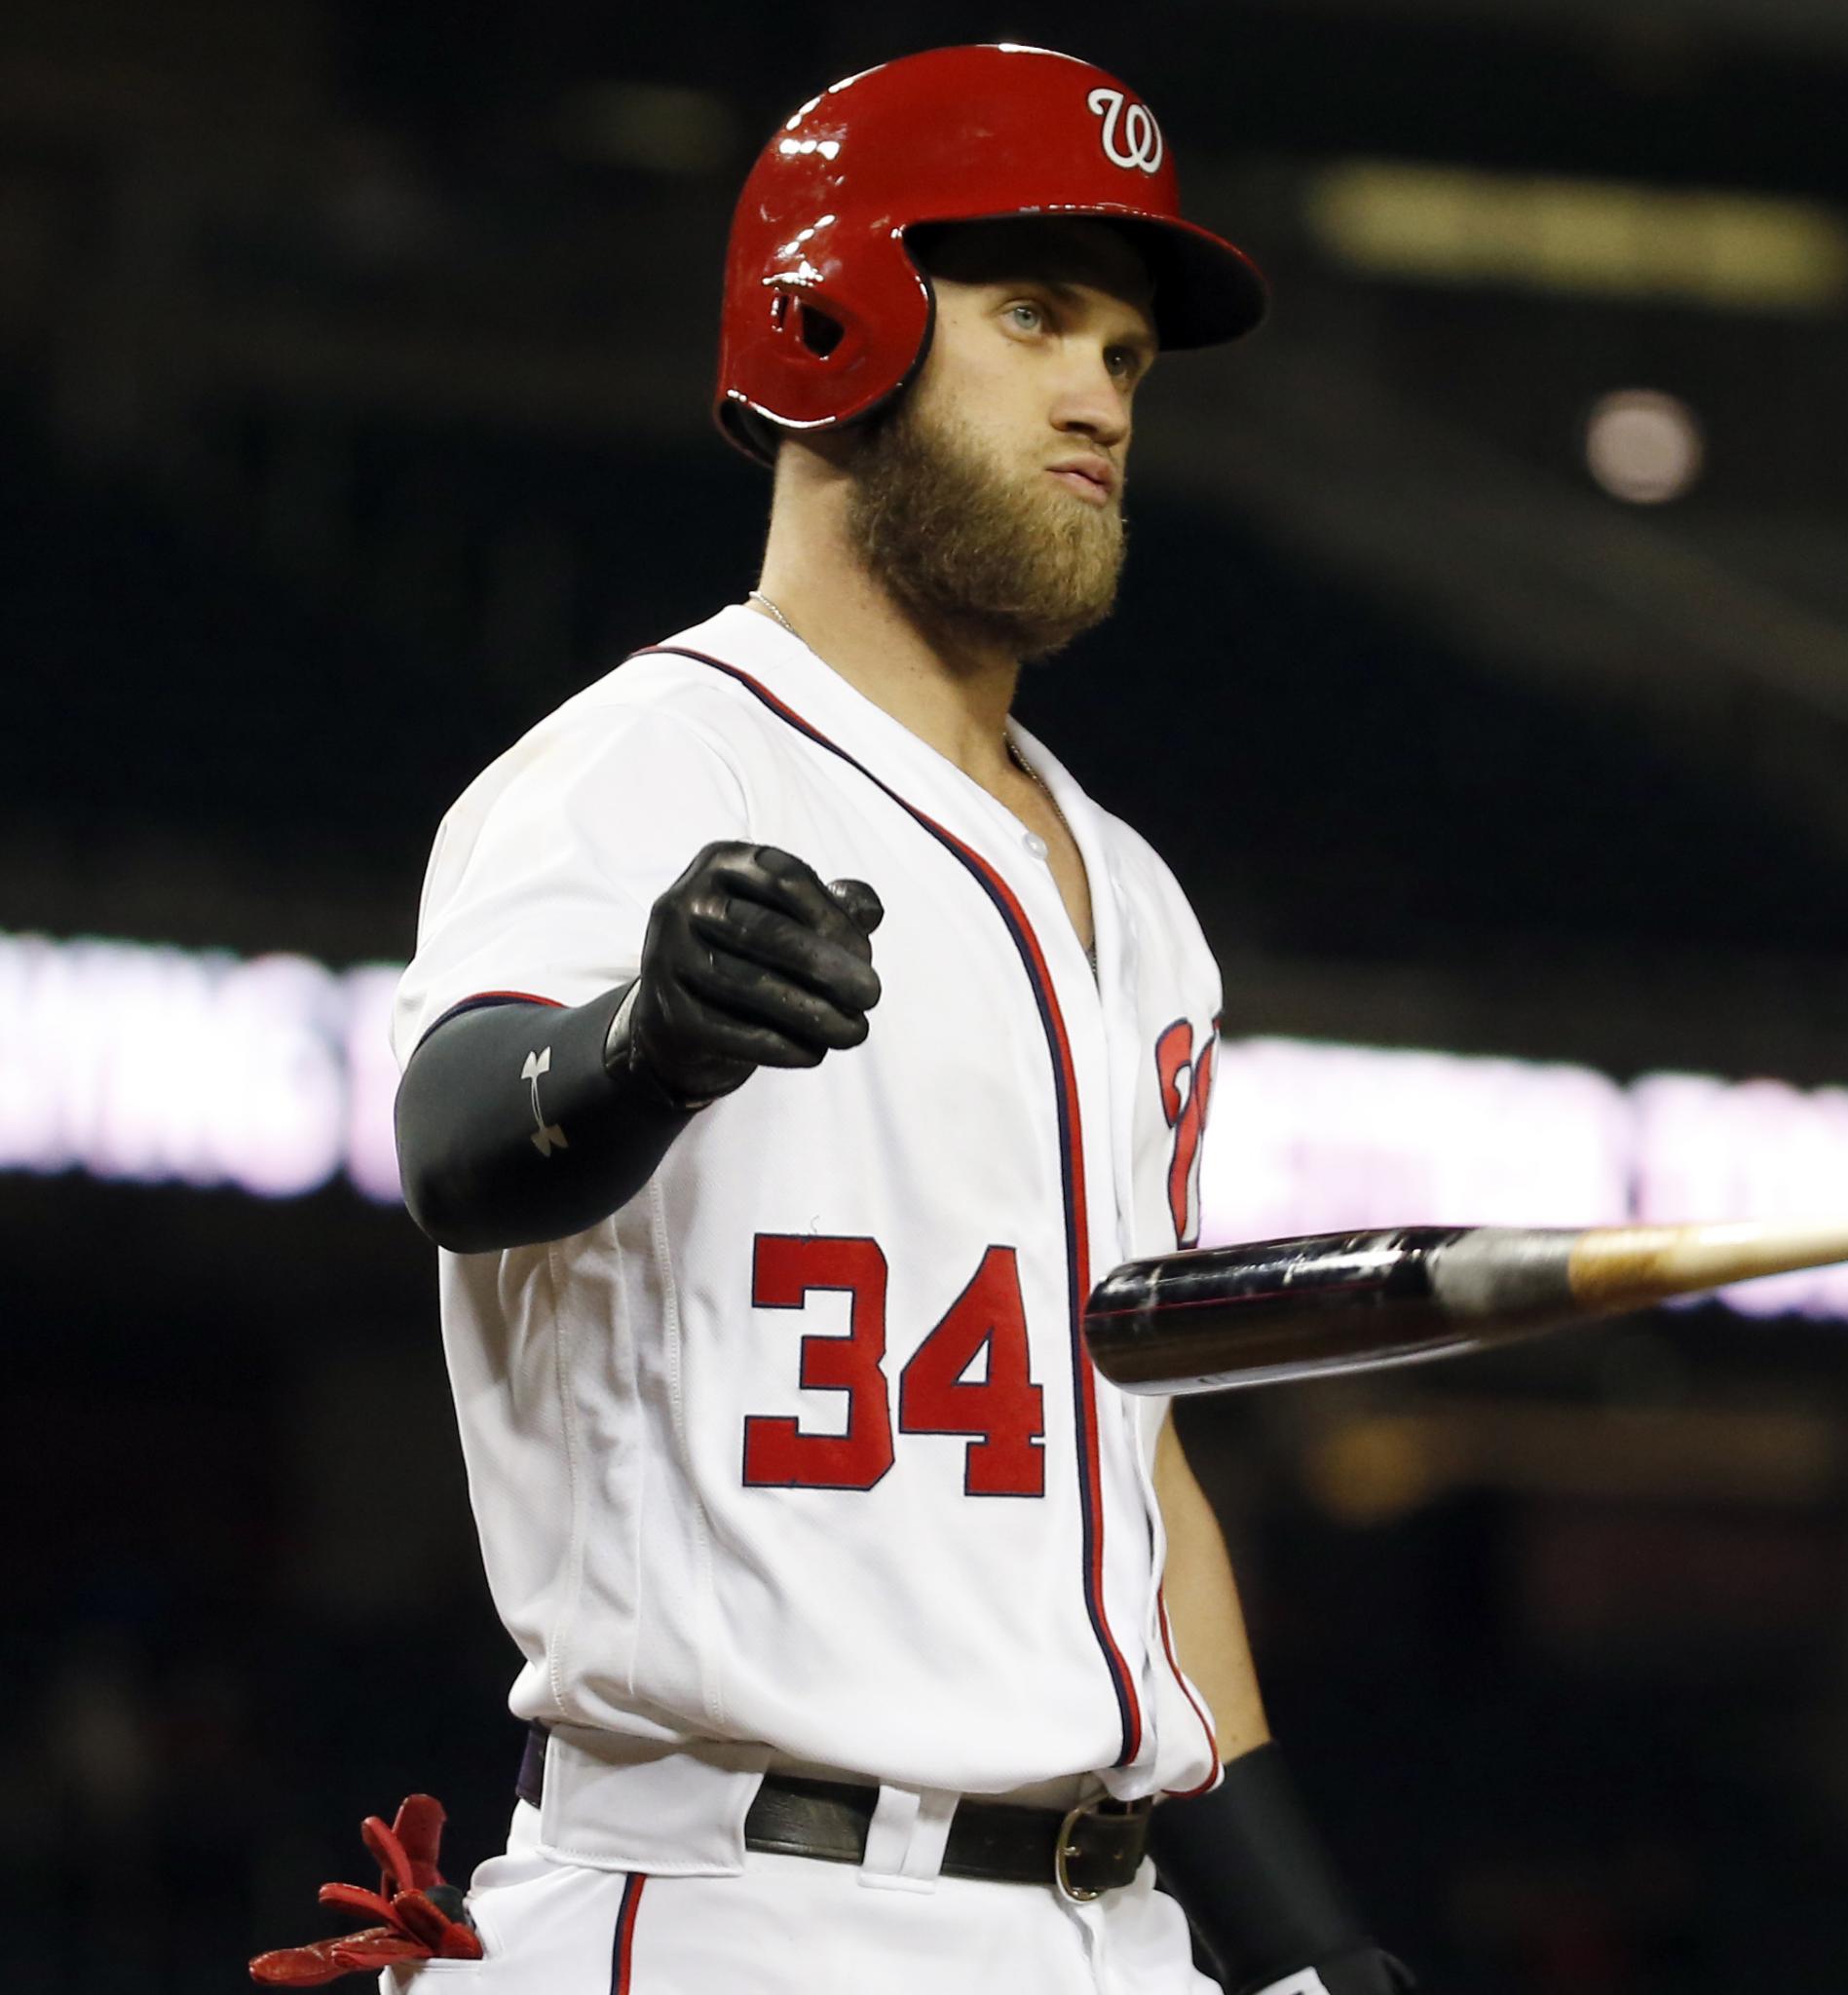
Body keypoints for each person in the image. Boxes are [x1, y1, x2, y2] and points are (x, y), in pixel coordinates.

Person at [251, 44, 1407, 1995]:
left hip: (1105, 1928)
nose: (1097, 396)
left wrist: (1298, 1945)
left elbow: (1133, 1475)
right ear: (829, 319)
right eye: (1035, 315)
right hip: (741, 1901)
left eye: (1127, 354)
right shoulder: (636, 769)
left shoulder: (1138, 901)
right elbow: (458, 1143)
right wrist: (639, 1043)